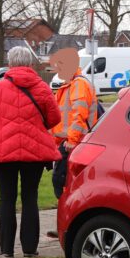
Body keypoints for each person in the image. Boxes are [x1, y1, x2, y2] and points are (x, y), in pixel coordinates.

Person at [0, 46, 61, 258]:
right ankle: (30, 249)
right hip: (35, 152)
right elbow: (54, 118)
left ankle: (6, 250)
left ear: (10, 64)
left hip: (4, 153)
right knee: (30, 198)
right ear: (31, 64)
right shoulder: (42, 87)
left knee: (7, 199)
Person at [47, 47, 97, 200]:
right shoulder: (72, 84)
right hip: (69, 141)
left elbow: (79, 113)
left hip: (73, 143)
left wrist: (72, 140)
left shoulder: (78, 84)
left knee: (61, 181)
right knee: (63, 181)